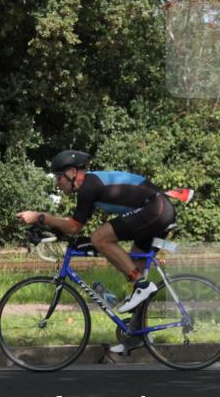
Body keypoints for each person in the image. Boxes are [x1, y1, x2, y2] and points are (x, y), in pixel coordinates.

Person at [15, 150, 176, 354]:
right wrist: (47, 224)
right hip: (155, 210)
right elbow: (73, 225)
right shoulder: (91, 187)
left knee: (100, 238)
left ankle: (141, 284)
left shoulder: (89, 187)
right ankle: (138, 334)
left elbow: (74, 227)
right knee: (130, 264)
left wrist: (40, 217)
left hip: (156, 210)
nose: (57, 183)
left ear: (73, 172)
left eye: (58, 177)